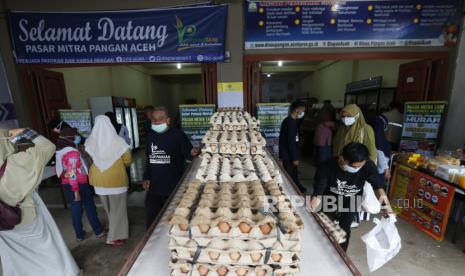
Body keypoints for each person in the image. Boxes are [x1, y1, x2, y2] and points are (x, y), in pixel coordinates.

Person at [0, 128, 80, 276]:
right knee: (45, 246)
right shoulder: (17, 164)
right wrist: (25, 132)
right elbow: (47, 147)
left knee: (15, 256)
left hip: (2, 226)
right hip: (26, 216)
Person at [310, 142, 394, 251]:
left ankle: (341, 255)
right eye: (355, 167)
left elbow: (378, 187)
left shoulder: (367, 165)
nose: (358, 168)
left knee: (345, 229)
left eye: (361, 166)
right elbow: (318, 193)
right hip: (330, 198)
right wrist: (312, 208)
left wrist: (386, 206)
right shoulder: (327, 167)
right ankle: (319, 250)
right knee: (324, 226)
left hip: (352, 199)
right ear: (342, 159)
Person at [143, 106, 199, 228]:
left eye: (160, 119)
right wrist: (146, 177)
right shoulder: (149, 137)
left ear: (168, 120)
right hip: (154, 188)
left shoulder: (178, 135)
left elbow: (189, 154)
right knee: (152, 222)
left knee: (172, 222)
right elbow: (149, 159)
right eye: (154, 119)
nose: (157, 122)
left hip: (173, 188)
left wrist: (194, 152)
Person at [85, 115, 132, 246]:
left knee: (109, 209)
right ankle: (113, 237)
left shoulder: (90, 141)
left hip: (98, 179)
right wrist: (122, 165)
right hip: (116, 179)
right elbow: (128, 159)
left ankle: (113, 231)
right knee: (118, 210)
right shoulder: (119, 141)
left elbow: (89, 157)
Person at [55, 127, 104, 241]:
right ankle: (98, 231)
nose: (77, 137)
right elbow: (71, 172)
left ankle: (79, 234)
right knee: (89, 206)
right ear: (69, 138)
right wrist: (76, 190)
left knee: (76, 208)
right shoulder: (71, 152)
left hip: (68, 183)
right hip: (77, 183)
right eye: (75, 135)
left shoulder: (61, 149)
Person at [279, 100, 307, 193]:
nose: (303, 113)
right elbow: (290, 142)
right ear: (297, 110)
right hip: (288, 154)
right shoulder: (290, 123)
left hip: (290, 152)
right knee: (290, 175)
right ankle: (294, 191)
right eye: (302, 110)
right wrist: (294, 158)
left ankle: (298, 187)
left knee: (294, 173)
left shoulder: (293, 121)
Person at [367, 114, 392, 189]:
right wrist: (386, 168)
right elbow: (379, 152)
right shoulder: (379, 135)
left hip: (370, 166)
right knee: (377, 187)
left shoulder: (369, 131)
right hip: (377, 169)